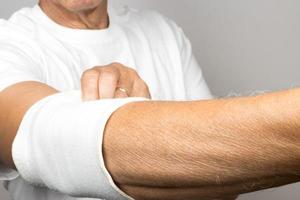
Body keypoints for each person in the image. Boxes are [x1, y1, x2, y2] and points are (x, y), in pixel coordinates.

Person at [0, 0, 299, 200]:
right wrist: (130, 115)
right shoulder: (10, 41)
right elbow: (40, 140)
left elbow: (220, 179)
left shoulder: (163, 33)